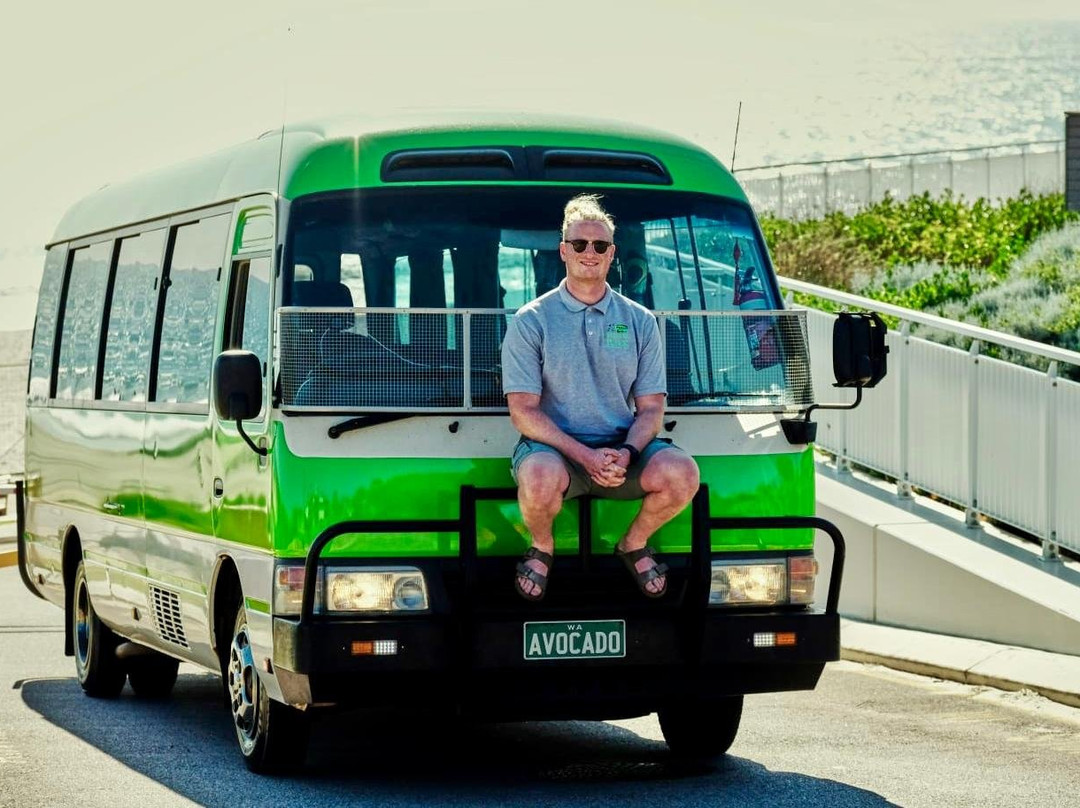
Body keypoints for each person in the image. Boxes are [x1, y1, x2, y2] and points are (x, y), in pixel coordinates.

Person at [501, 194, 700, 601]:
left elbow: (650, 409)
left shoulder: (641, 321)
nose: (588, 252)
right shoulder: (530, 321)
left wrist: (625, 453)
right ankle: (542, 546)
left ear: (612, 253)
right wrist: (584, 456)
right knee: (538, 478)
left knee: (683, 473)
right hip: (553, 452)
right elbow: (523, 411)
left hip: (620, 452)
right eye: (579, 244)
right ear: (563, 251)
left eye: (599, 245)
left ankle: (633, 543)